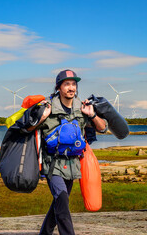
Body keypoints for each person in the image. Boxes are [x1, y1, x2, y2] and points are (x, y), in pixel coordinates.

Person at [29, 69, 107, 235]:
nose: (71, 88)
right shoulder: (48, 107)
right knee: (62, 199)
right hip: (53, 164)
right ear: (59, 87)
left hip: (73, 165)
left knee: (60, 202)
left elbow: (102, 128)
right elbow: (27, 128)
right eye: (67, 84)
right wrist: (41, 118)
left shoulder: (82, 108)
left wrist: (92, 115)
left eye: (73, 84)